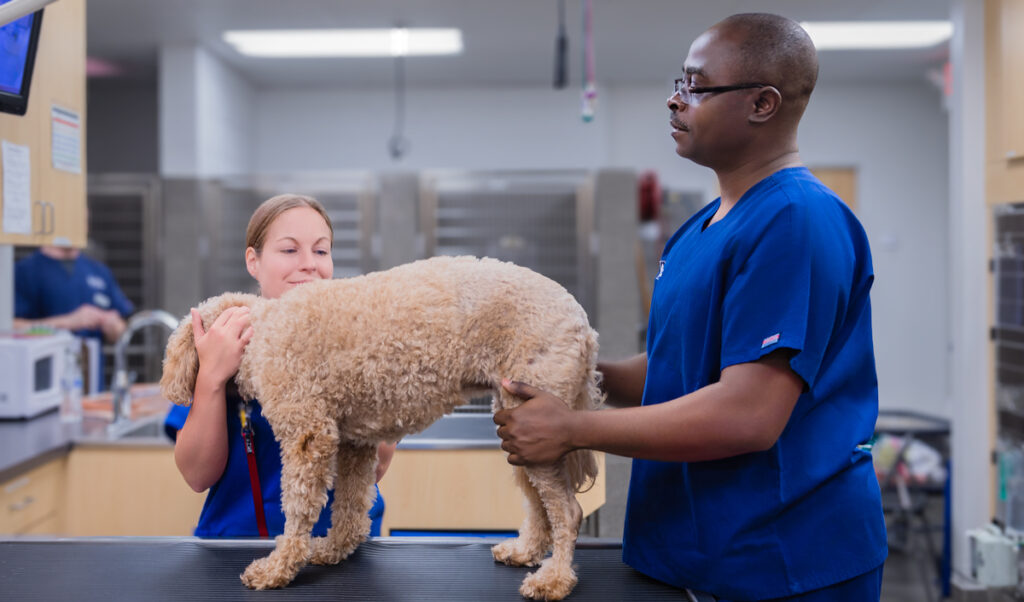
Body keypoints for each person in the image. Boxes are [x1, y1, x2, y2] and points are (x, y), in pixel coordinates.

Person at [494, 13, 886, 602]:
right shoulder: (699, 230)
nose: (675, 102)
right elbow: (675, 370)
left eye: (695, 86)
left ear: (762, 104)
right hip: (693, 551)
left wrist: (573, 429)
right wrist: (565, 373)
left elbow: (748, 414)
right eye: (679, 84)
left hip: (783, 561)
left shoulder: (796, 221)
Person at [164, 194, 397, 538]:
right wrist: (212, 376)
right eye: (289, 250)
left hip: (341, 549)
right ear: (253, 261)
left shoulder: (358, 337)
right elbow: (197, 475)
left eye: (321, 251)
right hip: (235, 550)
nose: (309, 264)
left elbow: (373, 468)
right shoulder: (222, 335)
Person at [14, 244, 134, 389]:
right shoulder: (25, 271)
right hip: (43, 382)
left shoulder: (99, 272)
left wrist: (114, 326)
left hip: (92, 383)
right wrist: (68, 322)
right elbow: (12, 327)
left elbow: (122, 330)